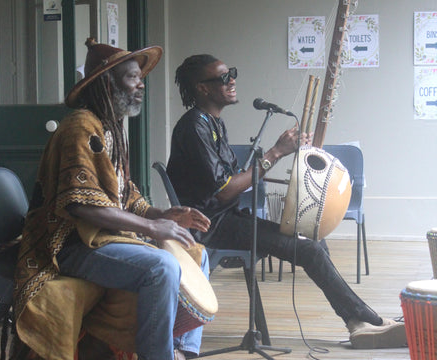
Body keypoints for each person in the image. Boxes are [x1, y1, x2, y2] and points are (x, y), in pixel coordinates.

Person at [167, 54, 407, 350]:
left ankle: (358, 322)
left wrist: (279, 162)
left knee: (312, 239)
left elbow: (233, 182)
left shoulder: (211, 123)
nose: (232, 81)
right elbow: (224, 191)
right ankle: (369, 320)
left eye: (232, 73)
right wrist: (275, 153)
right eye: (223, 77)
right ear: (202, 89)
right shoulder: (194, 127)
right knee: (308, 250)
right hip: (209, 225)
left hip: (227, 218)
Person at [13, 39, 211, 360]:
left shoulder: (110, 129)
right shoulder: (80, 128)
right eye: (133, 77)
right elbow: (82, 206)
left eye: (140, 78)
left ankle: (182, 351)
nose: (141, 85)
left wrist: (165, 215)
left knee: (196, 254)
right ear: (107, 82)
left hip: (103, 240)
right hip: (69, 247)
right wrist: (153, 228)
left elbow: (124, 194)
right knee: (161, 267)